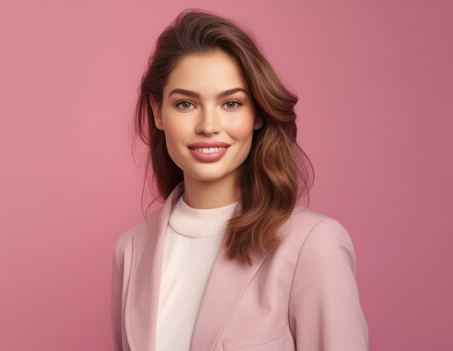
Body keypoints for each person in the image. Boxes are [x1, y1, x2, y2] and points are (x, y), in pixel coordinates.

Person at [111, 9, 368, 351]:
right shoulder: (130, 250)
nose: (208, 125)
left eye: (231, 103)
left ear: (257, 113)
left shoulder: (313, 245)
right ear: (158, 112)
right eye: (186, 104)